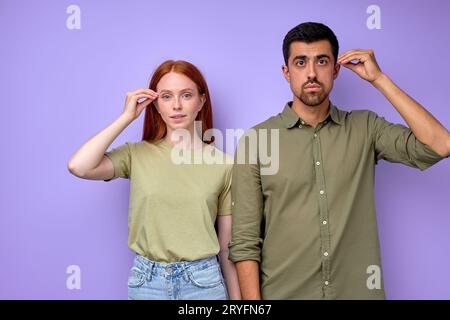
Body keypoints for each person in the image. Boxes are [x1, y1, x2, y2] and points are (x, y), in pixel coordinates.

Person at [229, 22, 450, 299]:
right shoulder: (256, 141)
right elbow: (244, 242)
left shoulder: (366, 127)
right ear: (286, 72)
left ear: (336, 70)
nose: (311, 73)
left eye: (321, 61)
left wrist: (379, 79)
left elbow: (440, 145)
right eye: (300, 62)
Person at [68, 60, 241, 300]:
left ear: (201, 101)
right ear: (156, 104)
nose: (177, 105)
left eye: (186, 95)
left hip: (203, 284)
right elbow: (79, 166)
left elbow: (226, 248)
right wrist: (127, 116)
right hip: (147, 282)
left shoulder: (224, 165)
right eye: (167, 96)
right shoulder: (135, 154)